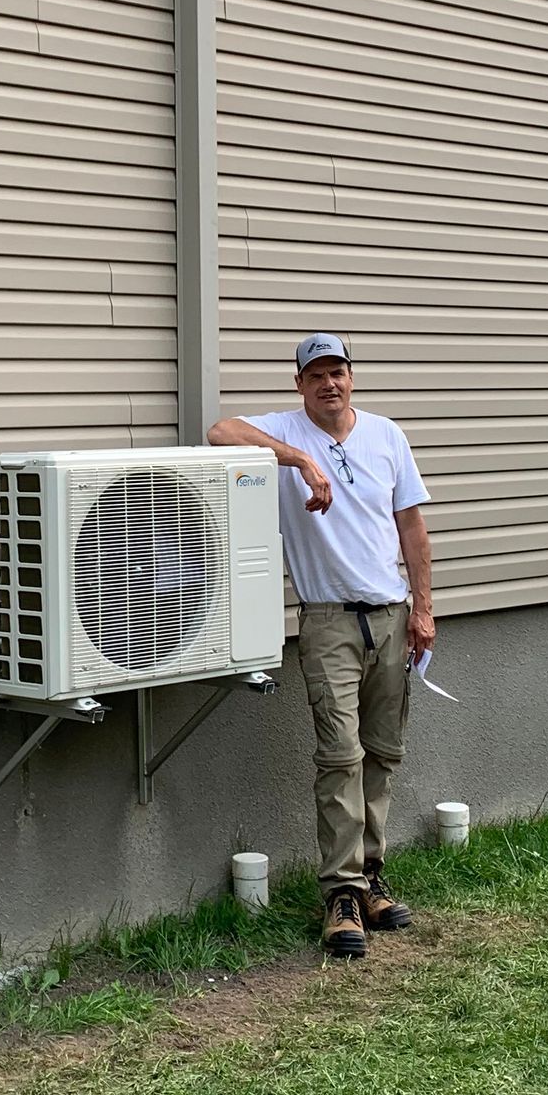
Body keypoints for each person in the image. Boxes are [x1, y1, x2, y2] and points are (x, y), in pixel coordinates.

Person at [207, 336, 435, 959]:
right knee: (340, 755)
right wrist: (300, 461)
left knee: (382, 754)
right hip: (328, 621)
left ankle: (371, 880)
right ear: (299, 384)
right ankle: (340, 895)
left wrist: (423, 609)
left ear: (352, 378)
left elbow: (411, 525)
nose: (328, 384)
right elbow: (220, 432)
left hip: (390, 614)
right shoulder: (283, 430)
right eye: (316, 376)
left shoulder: (388, 437)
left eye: (338, 372)